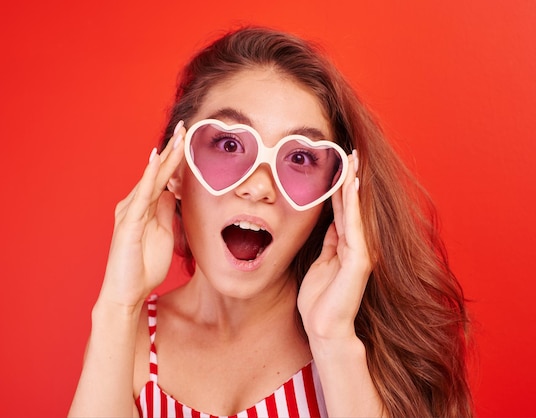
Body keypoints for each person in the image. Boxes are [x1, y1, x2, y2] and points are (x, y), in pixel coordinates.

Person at [69, 27, 473, 418]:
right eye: (229, 144)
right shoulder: (126, 337)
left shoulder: (357, 347)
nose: (260, 186)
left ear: (333, 195)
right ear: (176, 168)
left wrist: (332, 339)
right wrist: (116, 306)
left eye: (299, 158)